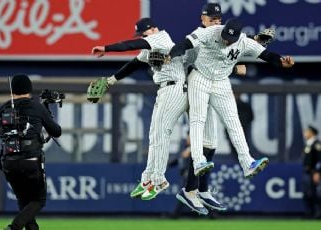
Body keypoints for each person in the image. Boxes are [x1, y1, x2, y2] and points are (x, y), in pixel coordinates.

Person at [176, 3, 274, 213]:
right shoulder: (200, 35)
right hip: (190, 85)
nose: (216, 22)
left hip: (213, 84)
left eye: (218, 19)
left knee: (211, 144)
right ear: (203, 19)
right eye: (212, 19)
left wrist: (250, 46)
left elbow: (226, 54)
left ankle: (199, 190)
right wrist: (236, 63)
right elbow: (191, 62)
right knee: (199, 128)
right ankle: (192, 186)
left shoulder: (222, 36)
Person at [168, 18, 294, 181]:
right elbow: (185, 44)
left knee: (233, 121)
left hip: (221, 81)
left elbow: (266, 55)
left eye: (232, 38)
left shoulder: (242, 41)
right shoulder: (209, 32)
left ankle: (247, 163)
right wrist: (170, 55)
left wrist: (281, 62)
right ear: (223, 29)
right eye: (226, 35)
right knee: (198, 119)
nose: (228, 40)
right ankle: (198, 160)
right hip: (200, 77)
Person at [91, 18, 199, 202]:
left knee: (162, 134)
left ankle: (159, 180)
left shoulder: (160, 38)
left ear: (153, 29)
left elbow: (132, 44)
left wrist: (106, 48)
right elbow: (133, 64)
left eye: (144, 33)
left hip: (175, 88)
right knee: (154, 135)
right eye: (141, 34)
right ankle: (148, 178)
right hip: (165, 90)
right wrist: (110, 80)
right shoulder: (150, 47)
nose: (142, 37)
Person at [0, 74, 62, 230]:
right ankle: (14, 227)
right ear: (29, 89)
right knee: (38, 200)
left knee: (24, 202)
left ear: (12, 91)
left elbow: (1, 134)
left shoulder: (2, 109)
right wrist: (47, 112)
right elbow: (56, 131)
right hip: (31, 161)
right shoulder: (36, 106)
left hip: (8, 161)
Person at [301, 125, 321, 218]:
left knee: (313, 193)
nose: (305, 133)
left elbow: (320, 159)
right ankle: (309, 213)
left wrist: (317, 172)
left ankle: (317, 212)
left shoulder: (317, 144)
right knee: (307, 193)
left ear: (312, 133)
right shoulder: (309, 143)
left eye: (307, 132)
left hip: (313, 173)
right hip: (307, 172)